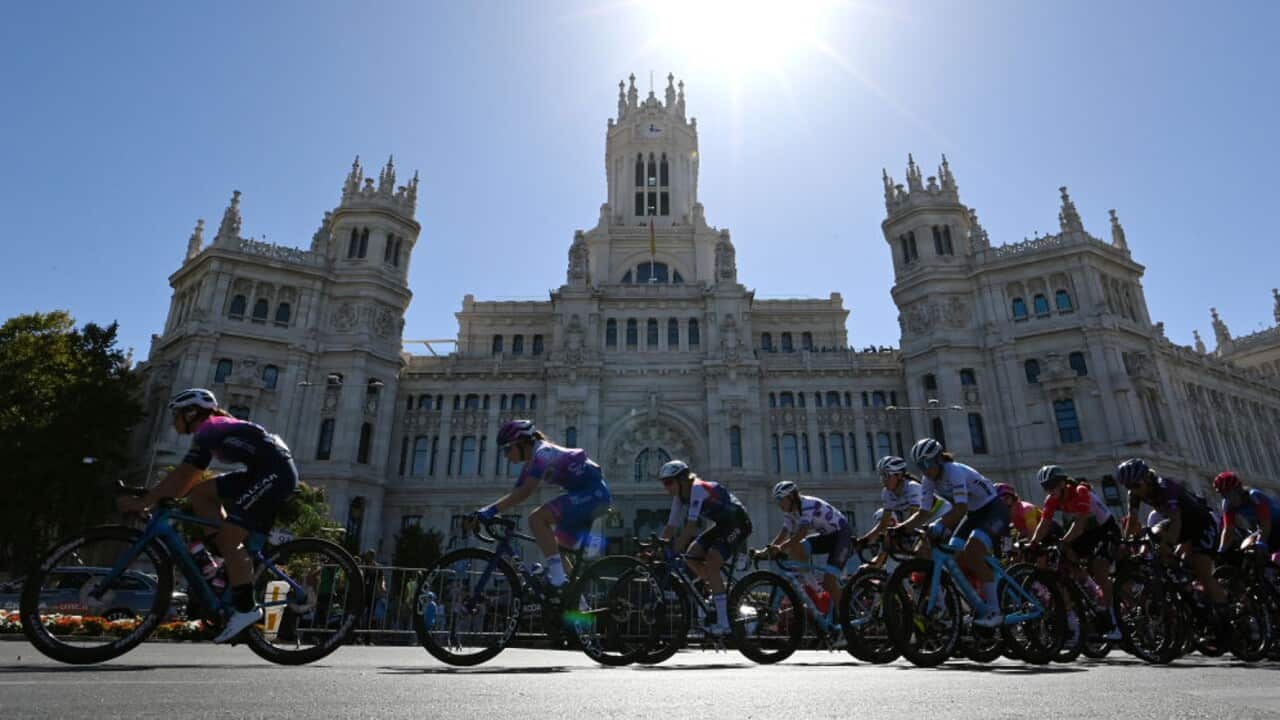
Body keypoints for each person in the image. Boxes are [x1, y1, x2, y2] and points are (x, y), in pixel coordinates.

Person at [116, 388, 298, 643]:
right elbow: (187, 485)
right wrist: (155, 495)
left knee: (230, 537)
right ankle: (225, 561)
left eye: (176, 415)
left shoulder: (210, 429)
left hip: (275, 475)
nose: (173, 421)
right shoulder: (212, 430)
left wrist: (147, 500)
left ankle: (246, 609)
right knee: (200, 494)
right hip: (260, 472)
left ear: (191, 413)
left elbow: (184, 476)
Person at [469, 419, 610, 590]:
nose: (506, 456)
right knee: (557, 551)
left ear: (522, 442)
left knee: (537, 519)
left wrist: (487, 512)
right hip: (585, 495)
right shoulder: (531, 462)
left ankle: (557, 580)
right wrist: (486, 512)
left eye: (507, 449)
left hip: (592, 494)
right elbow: (515, 495)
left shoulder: (543, 452)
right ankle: (577, 602)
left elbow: (525, 492)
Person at [899, 438, 1007, 627]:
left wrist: (939, 525)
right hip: (974, 513)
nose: (924, 469)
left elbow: (960, 509)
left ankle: (995, 611)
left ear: (939, 459)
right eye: (920, 465)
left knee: (973, 551)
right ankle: (973, 605)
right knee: (955, 555)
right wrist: (901, 528)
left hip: (993, 508)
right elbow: (923, 513)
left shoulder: (954, 471)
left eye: (927, 463)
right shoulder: (928, 480)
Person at [1117, 458, 1228, 622]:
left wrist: (1167, 545)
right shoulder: (1134, 494)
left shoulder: (1165, 487)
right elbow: (1132, 521)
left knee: (1201, 569)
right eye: (1128, 487)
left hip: (1200, 524)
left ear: (1147, 478)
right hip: (1179, 524)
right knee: (1153, 535)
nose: (1134, 490)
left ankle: (1226, 617)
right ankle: (1184, 584)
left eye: (1136, 485)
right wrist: (1125, 543)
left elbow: (1176, 520)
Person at [658, 460, 752, 636]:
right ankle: (720, 593)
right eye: (664, 483)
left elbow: (690, 527)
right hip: (723, 525)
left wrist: (674, 549)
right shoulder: (680, 497)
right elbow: (671, 527)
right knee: (692, 555)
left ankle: (725, 623)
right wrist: (657, 547)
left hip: (739, 523)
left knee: (711, 561)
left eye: (669, 482)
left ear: (683, 479)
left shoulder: (698, 489)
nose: (666, 487)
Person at [1029, 465, 1123, 641]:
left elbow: (1078, 525)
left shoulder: (1080, 491)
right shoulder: (1051, 499)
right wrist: (1033, 543)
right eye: (1046, 486)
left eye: (1053, 484)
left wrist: (1063, 542)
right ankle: (1088, 591)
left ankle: (1115, 621)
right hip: (1088, 532)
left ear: (1064, 483)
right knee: (1065, 559)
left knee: (1100, 567)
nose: (1050, 489)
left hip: (1106, 529)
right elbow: (1044, 524)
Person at [767, 480, 852, 614]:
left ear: (790, 497)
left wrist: (781, 548)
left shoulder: (806, 505)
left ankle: (847, 617)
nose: (779, 504)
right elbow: (783, 534)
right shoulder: (790, 511)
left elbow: (802, 533)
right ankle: (818, 591)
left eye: (780, 500)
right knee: (796, 548)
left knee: (829, 582)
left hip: (841, 536)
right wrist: (767, 550)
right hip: (827, 537)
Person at [863, 455, 951, 554]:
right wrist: (864, 540)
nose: (883, 480)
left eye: (886, 476)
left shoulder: (912, 487)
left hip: (942, 514)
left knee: (922, 551)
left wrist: (897, 530)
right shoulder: (887, 493)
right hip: (926, 520)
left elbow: (915, 517)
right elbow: (883, 523)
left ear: (899, 475)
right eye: (881, 476)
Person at [1213, 470, 1280, 563]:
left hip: (1273, 525)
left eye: (1228, 493)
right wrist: (1221, 551)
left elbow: (1266, 524)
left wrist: (1261, 543)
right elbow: (1228, 530)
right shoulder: (1227, 504)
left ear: (1238, 489)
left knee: (1274, 558)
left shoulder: (1254, 496)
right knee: (1245, 548)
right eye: (1223, 495)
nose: (1227, 498)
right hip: (1265, 528)